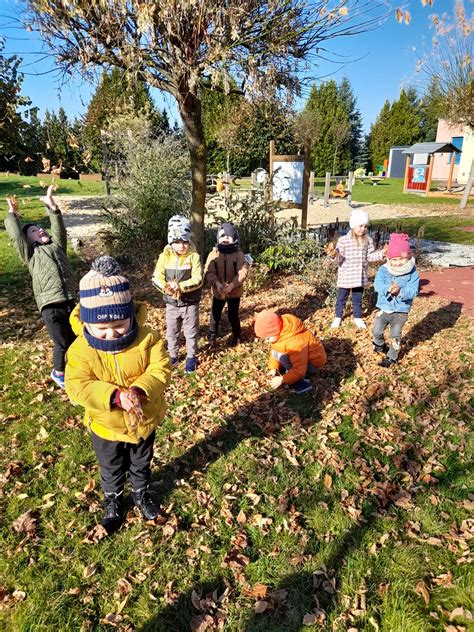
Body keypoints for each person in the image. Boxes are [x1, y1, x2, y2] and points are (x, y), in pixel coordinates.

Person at [65, 256, 171, 531]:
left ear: (131, 316)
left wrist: (139, 390)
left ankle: (140, 492)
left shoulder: (148, 338)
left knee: (141, 461)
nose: (112, 333)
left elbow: (160, 370)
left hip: (143, 420)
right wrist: (112, 396)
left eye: (120, 325)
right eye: (102, 329)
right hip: (106, 425)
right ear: (87, 324)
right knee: (111, 466)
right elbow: (77, 385)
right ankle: (112, 499)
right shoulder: (80, 350)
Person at [4, 185, 77, 388]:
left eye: (40, 228)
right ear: (28, 240)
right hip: (50, 304)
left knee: (75, 338)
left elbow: (59, 228)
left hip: (70, 299)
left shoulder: (57, 246)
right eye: (34, 231)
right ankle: (58, 373)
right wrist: (13, 215)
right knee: (61, 342)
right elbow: (17, 236)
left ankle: (76, 369)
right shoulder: (30, 255)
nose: (40, 230)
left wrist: (52, 206)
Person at [152, 215, 203, 373]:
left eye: (185, 242)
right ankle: (173, 355)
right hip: (171, 304)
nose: (182, 246)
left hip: (190, 303)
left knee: (191, 331)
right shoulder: (164, 257)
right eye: (178, 242)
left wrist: (180, 287)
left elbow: (198, 279)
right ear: (171, 242)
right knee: (172, 331)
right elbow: (156, 277)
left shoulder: (194, 257)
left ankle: (191, 356)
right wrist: (167, 287)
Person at [329, 209, 385, 329]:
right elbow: (339, 257)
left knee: (357, 298)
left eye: (365, 226)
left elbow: (370, 256)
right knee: (341, 298)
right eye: (360, 225)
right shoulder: (344, 240)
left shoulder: (368, 241)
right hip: (346, 275)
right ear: (353, 225)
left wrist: (382, 254)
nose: (363, 229)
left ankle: (357, 317)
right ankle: (338, 317)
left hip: (359, 276)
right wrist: (334, 254)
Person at [372, 233, 419, 368]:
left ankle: (391, 357)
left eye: (401, 259)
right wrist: (387, 288)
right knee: (376, 331)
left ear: (408, 257)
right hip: (384, 308)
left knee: (395, 335)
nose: (397, 263)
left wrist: (401, 292)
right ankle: (379, 345)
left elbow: (414, 291)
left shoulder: (412, 273)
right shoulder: (384, 270)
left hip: (400, 311)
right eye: (394, 259)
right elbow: (377, 285)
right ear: (389, 259)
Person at [254, 309, 327, 395]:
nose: (267, 341)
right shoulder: (280, 332)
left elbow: (299, 369)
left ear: (275, 331)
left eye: (267, 338)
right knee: (279, 354)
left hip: (312, 363)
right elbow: (275, 350)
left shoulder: (294, 342)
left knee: (282, 356)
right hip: (301, 360)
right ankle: (290, 373)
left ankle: (301, 383)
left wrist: (282, 379)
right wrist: (273, 367)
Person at [204, 222, 249, 347]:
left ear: (234, 239)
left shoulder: (238, 254)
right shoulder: (214, 254)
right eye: (222, 236)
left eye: (228, 237)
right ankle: (212, 333)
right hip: (218, 291)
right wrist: (216, 283)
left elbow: (242, 272)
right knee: (215, 313)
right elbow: (209, 271)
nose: (225, 239)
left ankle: (236, 334)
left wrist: (232, 285)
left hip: (234, 291)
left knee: (233, 315)